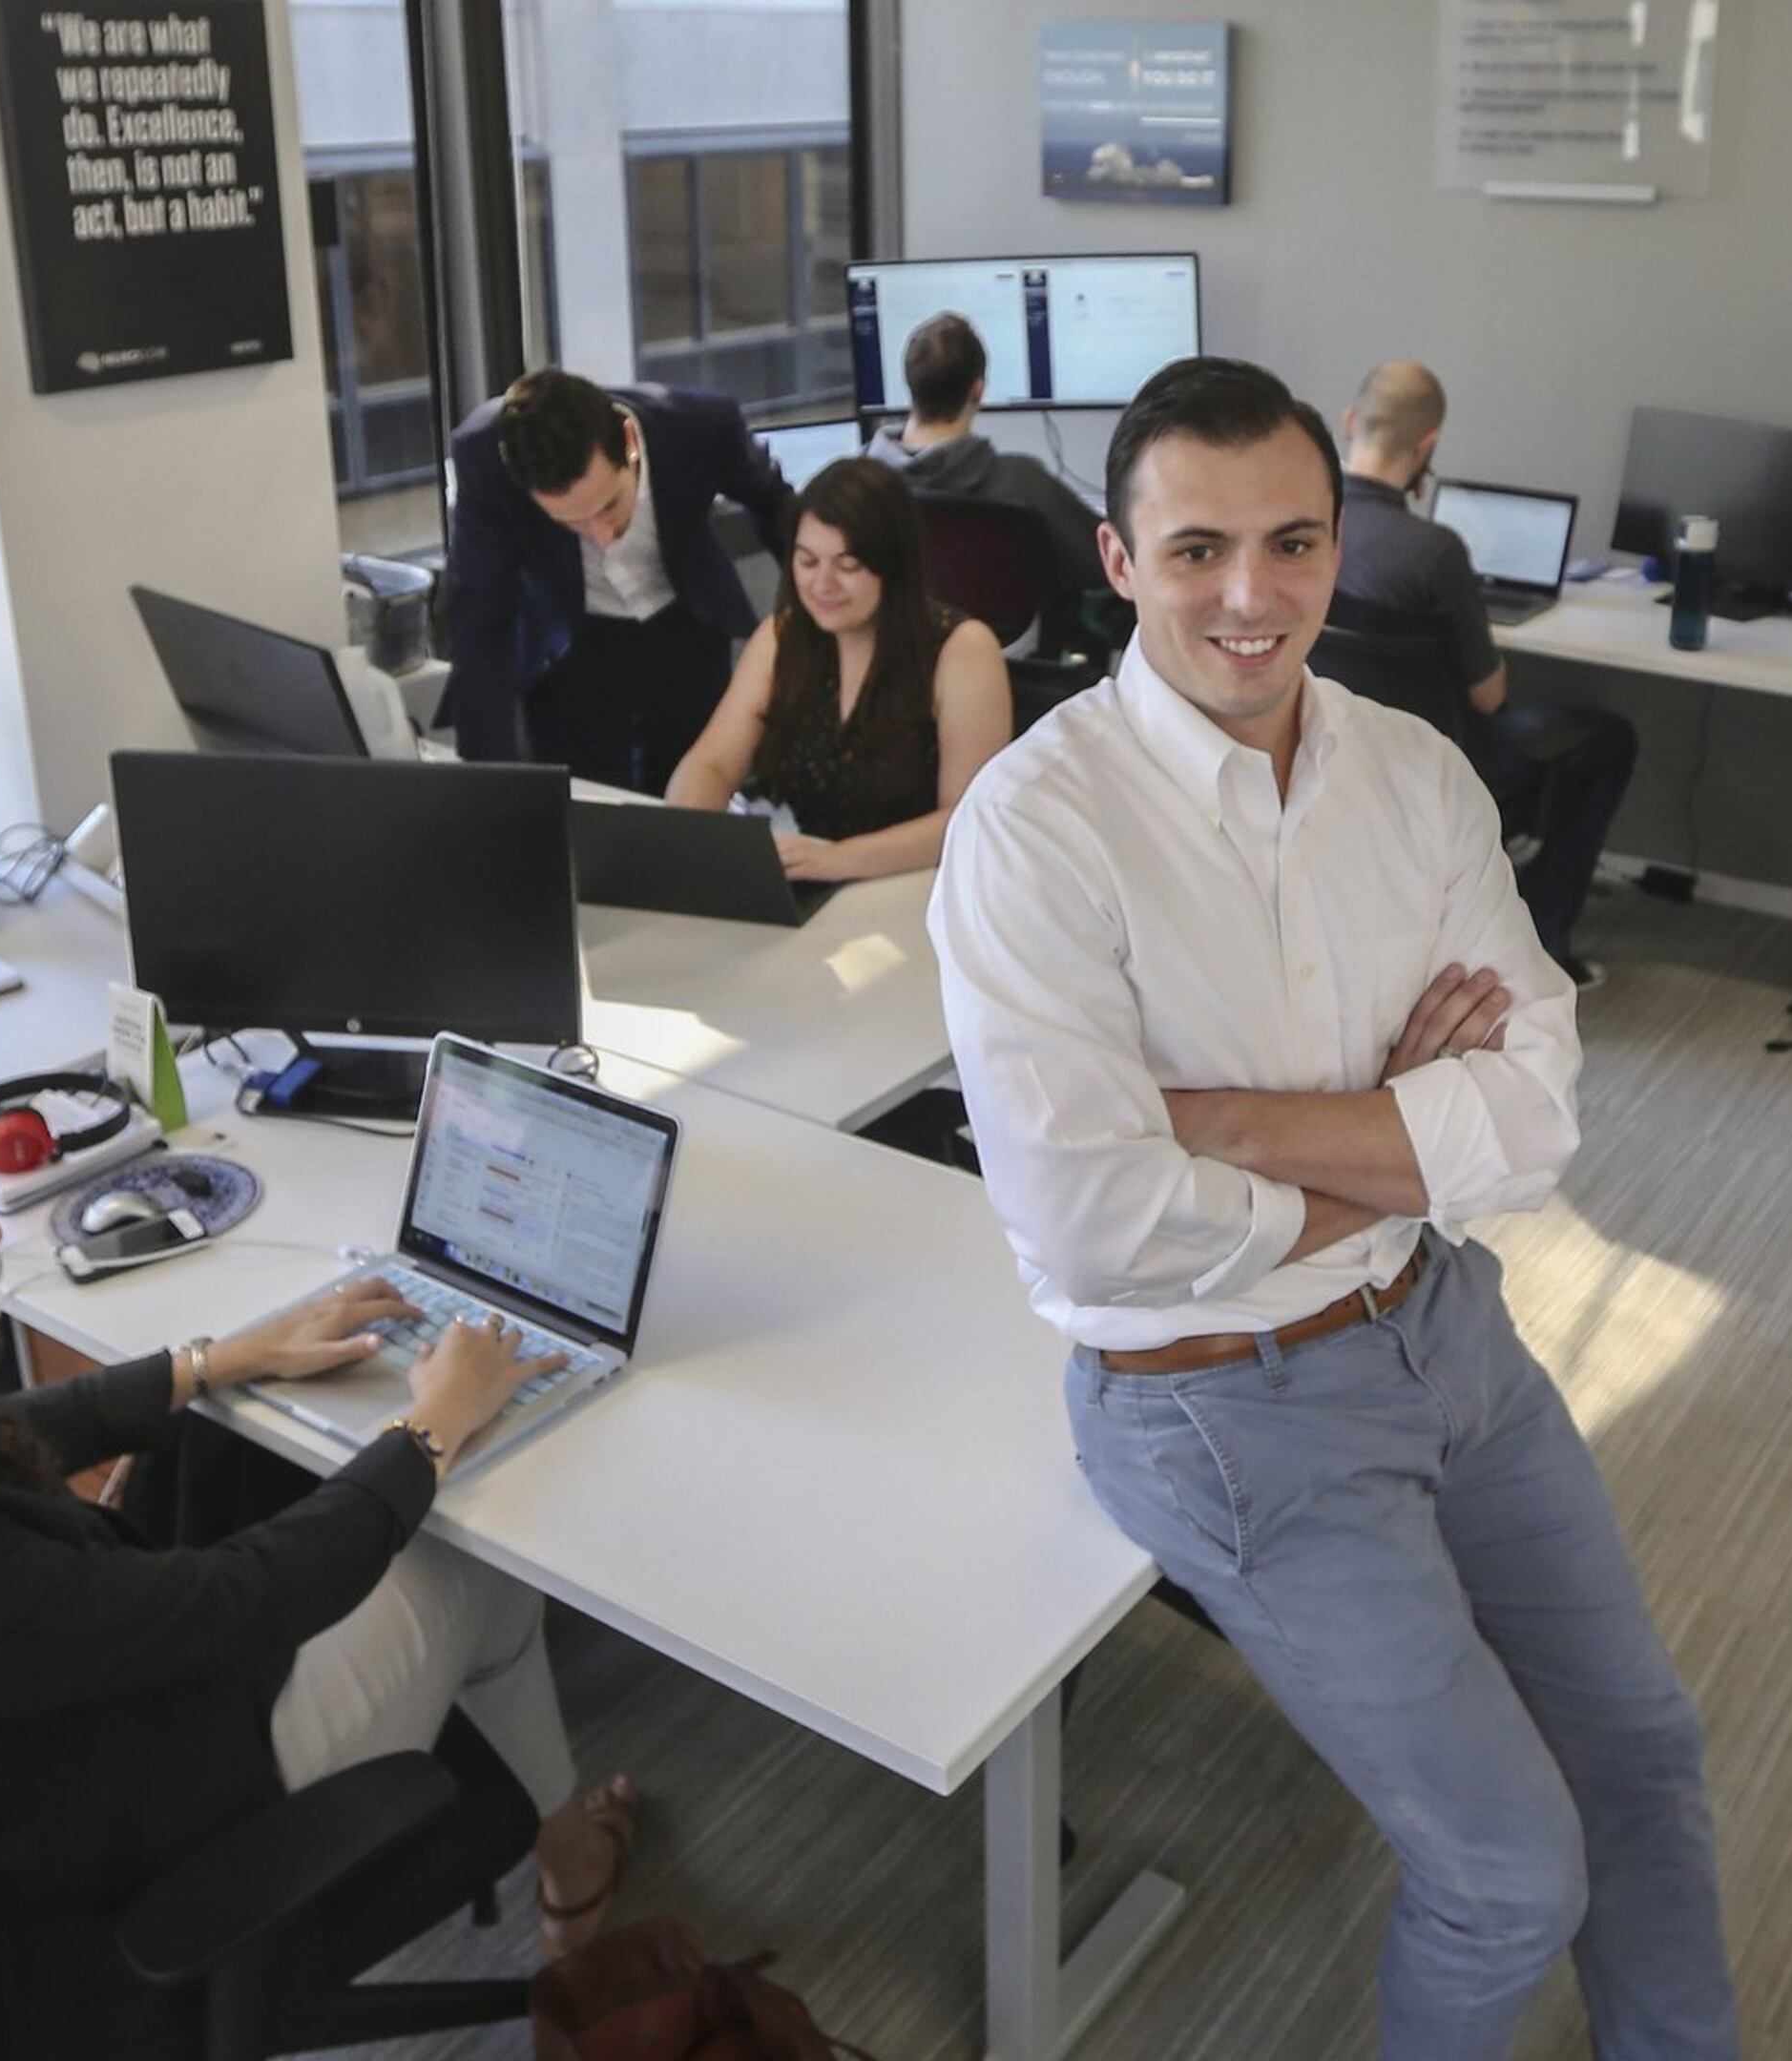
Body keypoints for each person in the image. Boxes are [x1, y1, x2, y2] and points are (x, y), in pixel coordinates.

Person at [930, 359, 1734, 2058]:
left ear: (1345, 541)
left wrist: (1220, 1125)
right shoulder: (1034, 832)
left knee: (1645, 1750)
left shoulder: (1416, 775)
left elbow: (1533, 1118)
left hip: (1445, 1323)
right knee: (1512, 1875)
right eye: (1200, 547)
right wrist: (1391, 1123)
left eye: (1294, 544)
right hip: (1218, 1404)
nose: (1252, 595)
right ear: (1120, 561)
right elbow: (1090, 1228)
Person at [0, 1057, 640, 2051]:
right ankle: (573, 1873)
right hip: (155, 1827)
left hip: (6, 1801)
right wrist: (428, 1432)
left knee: (227, 1451)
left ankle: (558, 1847)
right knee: (475, 1562)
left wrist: (210, 1364)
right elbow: (252, 1596)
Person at [1336, 361, 1638, 989]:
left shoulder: (1303, 529)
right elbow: (1489, 695)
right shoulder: (1435, 551)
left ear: (1349, 422)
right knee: (1609, 737)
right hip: (1434, 765)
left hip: (1326, 749)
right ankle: (1546, 938)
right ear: (1428, 447)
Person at [662, 457, 1013, 882]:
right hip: (816, 887)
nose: (823, 584)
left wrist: (840, 859)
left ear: (894, 566)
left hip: (923, 888)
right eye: (808, 562)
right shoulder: (782, 637)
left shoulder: (962, 650)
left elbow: (967, 816)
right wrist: (685, 836)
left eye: (847, 566)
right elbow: (712, 764)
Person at [445, 365, 794, 792]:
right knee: (586, 811)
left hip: (687, 629)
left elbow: (775, 504)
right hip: (572, 649)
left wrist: (810, 614)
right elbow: (479, 619)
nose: (603, 536)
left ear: (628, 442)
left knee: (692, 809)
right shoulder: (483, 455)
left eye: (609, 506)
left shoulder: (700, 425)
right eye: (571, 522)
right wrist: (488, 787)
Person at [864, 312, 1110, 599]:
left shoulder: (854, 486)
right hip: (1005, 644)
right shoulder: (1025, 485)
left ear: (909, 383)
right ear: (978, 390)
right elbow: (1106, 562)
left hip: (904, 643)